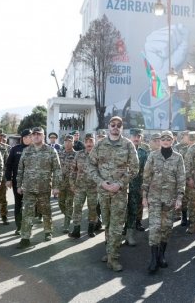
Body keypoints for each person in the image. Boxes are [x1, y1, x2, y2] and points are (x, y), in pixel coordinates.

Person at [88, 116, 139, 272]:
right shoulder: (100, 145)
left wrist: (120, 184)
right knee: (107, 224)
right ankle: (110, 251)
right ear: (108, 127)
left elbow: (134, 169)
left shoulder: (128, 145)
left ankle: (113, 258)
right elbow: (90, 166)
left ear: (122, 128)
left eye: (119, 125)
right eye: (113, 124)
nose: (115, 127)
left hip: (119, 192)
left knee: (116, 225)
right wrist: (101, 182)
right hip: (103, 191)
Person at [142, 130, 185, 273]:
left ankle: (161, 255)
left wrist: (179, 197)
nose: (166, 141)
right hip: (154, 198)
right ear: (160, 141)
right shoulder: (153, 156)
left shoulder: (178, 158)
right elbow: (146, 176)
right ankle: (153, 259)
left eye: (169, 139)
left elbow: (181, 179)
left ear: (173, 140)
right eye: (163, 139)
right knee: (154, 228)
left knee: (166, 229)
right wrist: (144, 196)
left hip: (170, 200)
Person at [16, 127, 61, 248]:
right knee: (27, 212)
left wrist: (56, 187)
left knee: (46, 211)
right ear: (31, 136)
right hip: (28, 188)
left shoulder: (51, 151)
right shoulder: (26, 151)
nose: (36, 136)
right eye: (34, 134)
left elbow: (57, 170)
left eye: (39, 134)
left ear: (43, 136)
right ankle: (25, 238)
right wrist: (19, 185)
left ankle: (47, 231)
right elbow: (20, 170)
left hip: (44, 187)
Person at [70, 133, 98, 238]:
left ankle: (91, 229)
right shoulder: (78, 154)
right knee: (77, 208)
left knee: (92, 209)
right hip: (80, 187)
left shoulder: (98, 155)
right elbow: (73, 170)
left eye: (91, 141)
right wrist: (72, 184)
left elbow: (103, 172)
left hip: (93, 188)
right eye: (87, 141)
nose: (89, 143)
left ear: (94, 142)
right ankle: (76, 230)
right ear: (84, 143)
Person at [5, 129, 32, 235]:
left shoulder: (35, 149)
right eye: (25, 137)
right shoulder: (15, 149)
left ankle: (28, 224)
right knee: (18, 204)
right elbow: (9, 165)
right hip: (18, 182)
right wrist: (8, 179)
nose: (27, 139)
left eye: (29, 137)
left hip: (32, 182)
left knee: (30, 205)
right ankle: (19, 226)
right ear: (22, 138)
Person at [124, 128, 149, 246]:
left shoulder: (144, 153)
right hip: (121, 188)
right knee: (120, 211)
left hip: (136, 187)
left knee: (134, 211)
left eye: (138, 136)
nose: (136, 138)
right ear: (129, 137)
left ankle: (129, 235)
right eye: (134, 136)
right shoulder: (122, 150)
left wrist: (144, 189)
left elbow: (146, 172)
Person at [58, 134, 77, 233]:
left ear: (73, 143)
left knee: (69, 203)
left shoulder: (76, 155)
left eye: (70, 141)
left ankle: (66, 224)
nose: (67, 143)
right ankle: (68, 215)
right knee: (60, 203)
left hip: (71, 184)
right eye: (66, 141)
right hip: (61, 183)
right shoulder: (59, 154)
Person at [179, 130, 195, 226]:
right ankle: (184, 216)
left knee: (194, 201)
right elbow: (180, 166)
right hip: (185, 180)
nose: (192, 142)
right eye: (190, 140)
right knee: (184, 200)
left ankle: (193, 218)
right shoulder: (182, 150)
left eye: (194, 140)